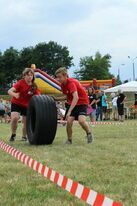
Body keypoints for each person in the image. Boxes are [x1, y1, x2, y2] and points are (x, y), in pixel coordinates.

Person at [54, 67, 93, 144]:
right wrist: (56, 98)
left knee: (81, 121)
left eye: (60, 77)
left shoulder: (71, 83)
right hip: (73, 103)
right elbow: (66, 96)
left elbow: (76, 97)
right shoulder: (62, 85)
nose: (58, 79)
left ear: (65, 76)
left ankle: (89, 133)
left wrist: (69, 111)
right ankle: (69, 140)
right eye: (57, 77)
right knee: (68, 122)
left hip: (82, 102)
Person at [8, 68, 40, 142]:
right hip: (16, 103)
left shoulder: (34, 86)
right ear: (24, 76)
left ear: (33, 76)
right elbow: (9, 91)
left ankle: (24, 137)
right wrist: (15, 94)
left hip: (26, 105)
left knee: (26, 122)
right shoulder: (20, 83)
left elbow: (38, 97)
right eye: (28, 75)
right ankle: (13, 134)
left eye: (31, 75)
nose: (29, 77)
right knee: (15, 118)